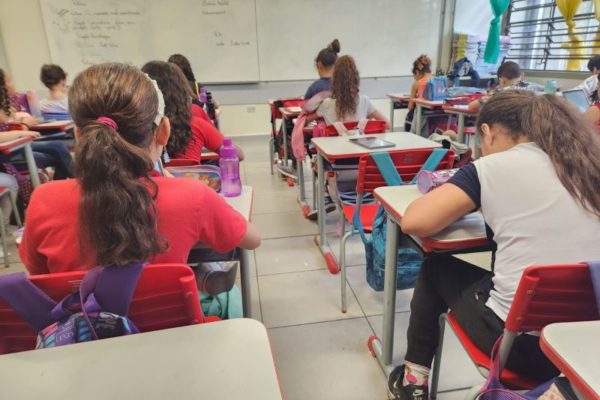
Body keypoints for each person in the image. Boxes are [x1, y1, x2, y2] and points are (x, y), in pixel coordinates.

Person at [388, 90, 600, 400]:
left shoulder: (490, 169)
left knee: (436, 266)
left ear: (487, 132)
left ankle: (413, 379)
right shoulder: (587, 164)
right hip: (584, 346)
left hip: (520, 348)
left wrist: (473, 199)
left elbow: (414, 222)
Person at [19, 63, 260, 274]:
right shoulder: (192, 196)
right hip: (175, 325)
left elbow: (39, 274)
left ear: (79, 135)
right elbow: (252, 239)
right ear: (163, 131)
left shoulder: (43, 200)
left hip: (84, 325)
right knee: (232, 302)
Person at [141, 61, 243, 162]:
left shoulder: (137, 129)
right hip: (190, 176)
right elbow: (238, 155)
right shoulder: (196, 124)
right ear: (180, 90)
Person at [0, 68, 73, 180]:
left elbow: (11, 127)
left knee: (59, 146)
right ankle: (78, 184)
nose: (12, 84)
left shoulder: (10, 105)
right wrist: (24, 126)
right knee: (58, 155)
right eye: (9, 81)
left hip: (20, 145)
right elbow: (7, 133)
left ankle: (69, 185)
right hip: (10, 153)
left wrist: (22, 125)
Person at [309, 55, 388, 125]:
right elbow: (387, 124)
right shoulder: (364, 101)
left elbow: (306, 120)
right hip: (358, 141)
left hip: (335, 142)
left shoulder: (326, 104)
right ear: (356, 78)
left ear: (334, 79)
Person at [468, 61, 542, 111]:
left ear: (501, 80)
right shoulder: (534, 87)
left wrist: (499, 88)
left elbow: (471, 106)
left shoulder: (499, 92)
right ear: (522, 75)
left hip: (507, 129)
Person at [405, 55, 433, 131]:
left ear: (417, 72)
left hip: (421, 118)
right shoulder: (437, 81)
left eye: (414, 76)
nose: (414, 78)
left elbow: (410, 107)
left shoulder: (417, 84)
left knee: (410, 114)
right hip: (434, 119)